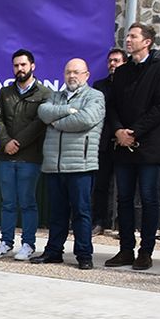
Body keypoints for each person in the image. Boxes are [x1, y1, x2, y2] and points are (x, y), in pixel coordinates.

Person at [103, 24, 160, 270]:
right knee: (123, 199)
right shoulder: (122, 73)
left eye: (133, 36)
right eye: (128, 36)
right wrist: (118, 131)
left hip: (148, 147)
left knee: (147, 199)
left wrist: (134, 132)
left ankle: (145, 251)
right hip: (122, 145)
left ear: (147, 42)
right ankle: (125, 249)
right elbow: (111, 105)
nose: (128, 40)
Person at [35, 59, 105, 268]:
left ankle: (84, 255)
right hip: (55, 166)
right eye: (68, 72)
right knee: (57, 213)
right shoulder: (56, 96)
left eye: (76, 72)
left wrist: (56, 122)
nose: (72, 76)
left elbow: (84, 120)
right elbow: (43, 112)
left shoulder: (95, 96)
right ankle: (53, 251)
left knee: (81, 212)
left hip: (80, 165)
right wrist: (68, 110)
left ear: (86, 75)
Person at [0, 50, 51, 260]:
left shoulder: (44, 94)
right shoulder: (5, 93)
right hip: (5, 156)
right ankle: (6, 242)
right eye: (16, 65)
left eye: (23, 65)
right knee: (7, 202)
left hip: (30, 157)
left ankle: (28, 244)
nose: (19, 69)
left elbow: (40, 123)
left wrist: (19, 142)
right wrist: (6, 142)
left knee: (27, 202)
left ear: (32, 66)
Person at [92, 47, 127, 233]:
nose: (112, 64)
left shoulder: (130, 85)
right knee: (100, 184)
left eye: (117, 61)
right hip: (103, 141)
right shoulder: (99, 85)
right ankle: (99, 221)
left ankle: (122, 224)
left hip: (123, 142)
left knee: (124, 187)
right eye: (110, 61)